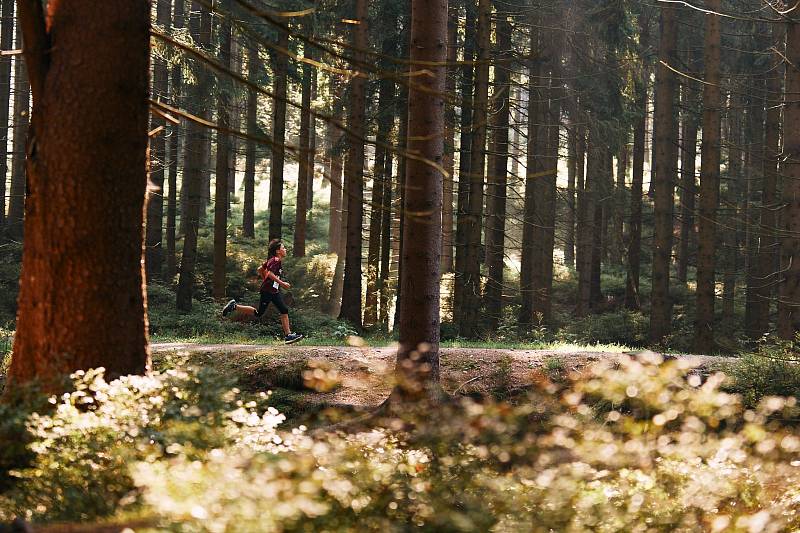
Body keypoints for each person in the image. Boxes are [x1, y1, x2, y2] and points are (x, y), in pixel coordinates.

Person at [222, 239, 304, 345]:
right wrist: (282, 283)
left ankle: (288, 335)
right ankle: (234, 306)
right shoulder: (276, 260)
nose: (285, 249)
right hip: (268, 291)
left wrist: (266, 279)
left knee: (283, 310)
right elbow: (269, 274)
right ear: (278, 251)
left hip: (272, 290)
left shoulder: (271, 260)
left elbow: (260, 269)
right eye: (283, 248)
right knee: (259, 313)